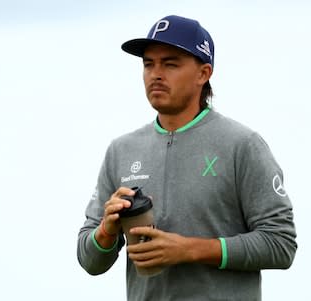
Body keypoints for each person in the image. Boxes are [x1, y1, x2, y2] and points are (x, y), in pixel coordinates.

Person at [77, 15, 297, 301]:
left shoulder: (242, 145)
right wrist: (106, 232)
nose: (156, 74)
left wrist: (189, 249)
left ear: (203, 73)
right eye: (148, 64)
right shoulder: (121, 150)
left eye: (170, 64)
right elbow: (89, 260)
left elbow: (281, 244)